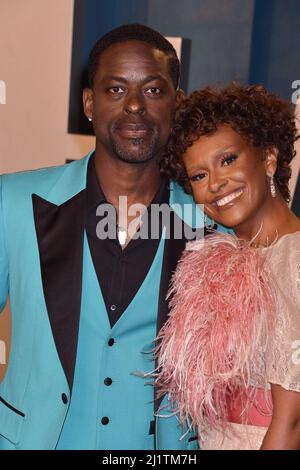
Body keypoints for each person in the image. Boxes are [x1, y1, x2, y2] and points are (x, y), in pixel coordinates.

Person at [0, 24, 207, 450]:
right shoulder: (13, 203)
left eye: (153, 91)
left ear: (176, 103)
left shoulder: (211, 224)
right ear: (89, 103)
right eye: (115, 90)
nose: (134, 107)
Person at [157, 83, 300, 450]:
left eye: (228, 160)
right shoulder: (217, 260)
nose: (216, 183)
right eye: (199, 176)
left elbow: (292, 423)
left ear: (269, 158)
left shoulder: (295, 258)